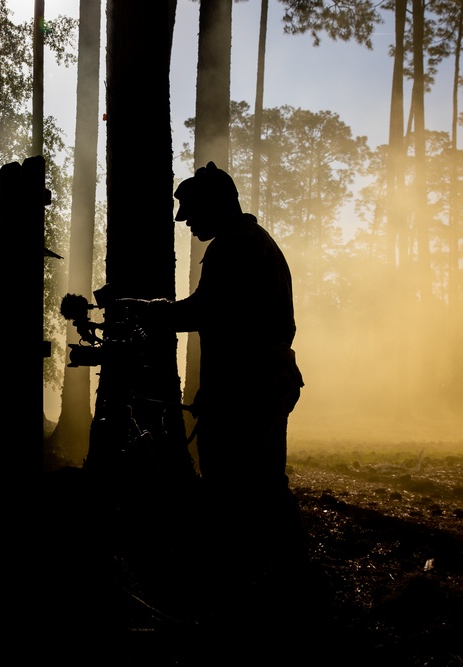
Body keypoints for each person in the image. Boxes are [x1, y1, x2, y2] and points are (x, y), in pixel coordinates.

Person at [129, 161, 307, 582]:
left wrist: (148, 313)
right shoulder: (256, 242)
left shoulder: (233, 247)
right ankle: (286, 575)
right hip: (264, 380)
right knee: (264, 482)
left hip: (246, 387)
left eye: (189, 209)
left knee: (235, 482)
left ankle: (245, 577)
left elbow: (205, 309)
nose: (182, 220)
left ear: (215, 204)